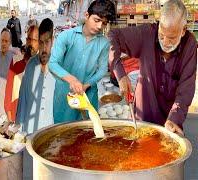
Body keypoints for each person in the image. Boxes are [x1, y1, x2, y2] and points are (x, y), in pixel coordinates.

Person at [109, 0, 197, 135]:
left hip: (169, 119)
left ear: (183, 30)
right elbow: (113, 36)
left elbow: (186, 87)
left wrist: (175, 118)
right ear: (159, 24)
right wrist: (120, 74)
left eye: (172, 38)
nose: (166, 43)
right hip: (142, 114)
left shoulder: (189, 45)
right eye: (162, 35)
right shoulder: (147, 33)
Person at [48, 0, 116, 123]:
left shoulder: (104, 43)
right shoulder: (66, 36)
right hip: (65, 95)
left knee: (87, 133)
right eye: (97, 20)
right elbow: (53, 63)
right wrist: (72, 80)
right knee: (63, 132)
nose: (100, 26)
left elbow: (102, 70)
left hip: (88, 95)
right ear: (86, 16)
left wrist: (87, 84)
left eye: (104, 23)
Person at [17, 18, 56, 133]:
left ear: (52, 41)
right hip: (29, 131)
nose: (44, 48)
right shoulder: (30, 65)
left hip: (50, 132)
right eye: (40, 42)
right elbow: (22, 101)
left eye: (47, 42)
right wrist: (19, 131)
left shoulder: (59, 67)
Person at [4, 25, 39, 122]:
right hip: (16, 117)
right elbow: (8, 91)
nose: (31, 43)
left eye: (35, 40)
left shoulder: (43, 65)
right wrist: (9, 116)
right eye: (29, 39)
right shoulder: (16, 60)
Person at [0, 28, 15, 117]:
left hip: (8, 109)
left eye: (6, 41)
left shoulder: (14, 60)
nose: (3, 43)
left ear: (10, 42)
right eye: (2, 40)